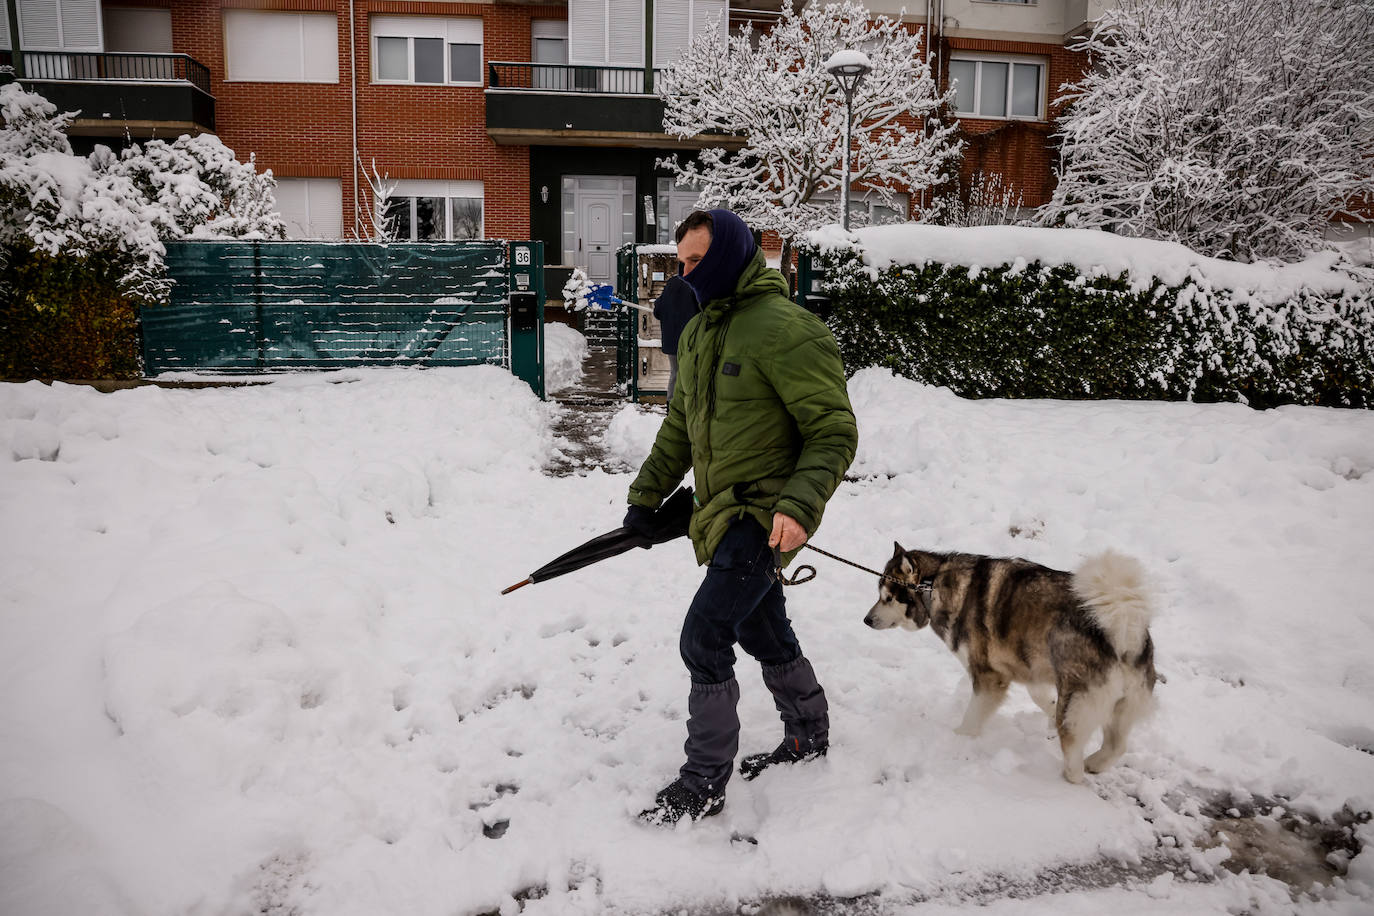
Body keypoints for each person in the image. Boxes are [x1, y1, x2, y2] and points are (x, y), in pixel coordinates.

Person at [624, 209, 858, 825]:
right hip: (722, 512)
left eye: (696, 261)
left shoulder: (788, 330)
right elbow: (680, 425)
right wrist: (645, 499)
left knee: (704, 635)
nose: (686, 273)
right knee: (761, 628)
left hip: (766, 515)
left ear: (729, 254)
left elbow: (832, 431)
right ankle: (809, 734)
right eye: (681, 262)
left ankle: (704, 781)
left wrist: (799, 506)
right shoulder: (702, 330)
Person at [652, 273, 699, 402]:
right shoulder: (696, 283)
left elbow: (658, 311)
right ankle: (688, 405)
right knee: (693, 373)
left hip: (671, 340)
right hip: (691, 339)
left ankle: (671, 404)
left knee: (675, 372)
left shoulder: (672, 282)